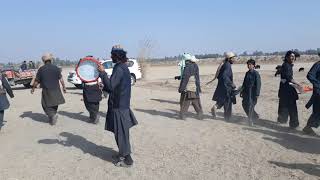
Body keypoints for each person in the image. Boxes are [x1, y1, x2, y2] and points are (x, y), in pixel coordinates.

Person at [98, 45, 138, 167]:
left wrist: (103, 73)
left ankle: (128, 160)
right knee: (120, 132)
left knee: (121, 133)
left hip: (119, 106)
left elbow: (111, 86)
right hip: (121, 104)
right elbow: (114, 87)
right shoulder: (122, 67)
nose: (110, 57)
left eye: (112, 55)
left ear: (117, 56)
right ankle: (122, 154)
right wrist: (104, 85)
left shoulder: (119, 68)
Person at [31, 53, 66, 125]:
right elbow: (61, 79)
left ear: (44, 61)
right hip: (56, 89)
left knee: (45, 104)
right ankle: (52, 116)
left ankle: (52, 115)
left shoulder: (41, 69)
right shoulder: (56, 68)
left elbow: (37, 81)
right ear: (51, 60)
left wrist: (33, 88)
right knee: (55, 103)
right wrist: (64, 87)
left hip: (47, 90)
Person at [277, 50, 302, 129]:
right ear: (287, 57)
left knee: (284, 106)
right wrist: (298, 84)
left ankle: (282, 120)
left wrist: (295, 85)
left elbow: (285, 79)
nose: (292, 58)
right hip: (287, 91)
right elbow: (289, 78)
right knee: (292, 108)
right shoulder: (286, 66)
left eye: (293, 56)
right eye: (291, 56)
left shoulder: (287, 65)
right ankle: (294, 124)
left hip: (285, 89)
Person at [211, 52, 237, 121]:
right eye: (233, 58)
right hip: (226, 87)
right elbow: (224, 76)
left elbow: (220, 76)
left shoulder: (225, 64)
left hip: (222, 86)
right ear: (229, 59)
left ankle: (215, 107)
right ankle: (228, 118)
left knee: (223, 100)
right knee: (228, 102)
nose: (234, 59)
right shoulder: (228, 65)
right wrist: (231, 84)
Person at [178, 53, 203, 120]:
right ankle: (200, 115)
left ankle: (182, 116)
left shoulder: (188, 67)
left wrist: (181, 88)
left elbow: (185, 78)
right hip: (195, 87)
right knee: (195, 101)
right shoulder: (195, 65)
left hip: (189, 87)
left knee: (185, 102)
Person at [240, 59, 261, 126]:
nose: (249, 66)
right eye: (248, 64)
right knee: (244, 104)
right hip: (246, 92)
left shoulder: (256, 74)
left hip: (253, 93)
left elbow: (258, 84)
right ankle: (255, 116)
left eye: (250, 64)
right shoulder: (247, 73)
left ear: (253, 65)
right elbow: (244, 83)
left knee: (251, 106)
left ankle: (250, 120)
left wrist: (257, 93)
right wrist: (241, 91)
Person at [302, 60, 320, 135]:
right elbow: (310, 75)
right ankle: (308, 127)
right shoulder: (318, 64)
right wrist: (318, 84)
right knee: (317, 111)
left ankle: (308, 127)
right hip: (319, 92)